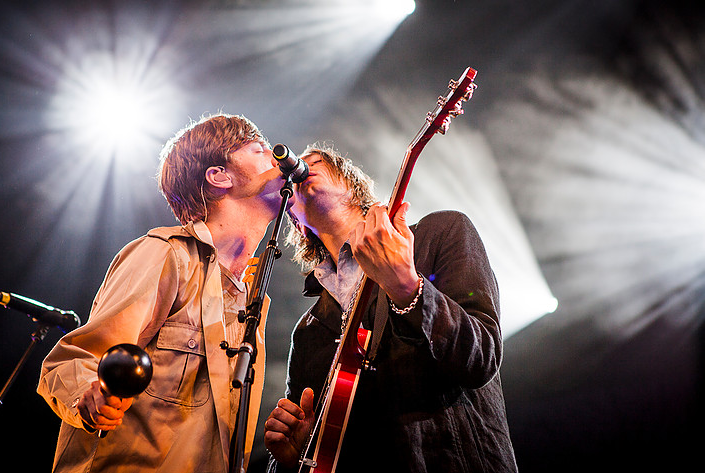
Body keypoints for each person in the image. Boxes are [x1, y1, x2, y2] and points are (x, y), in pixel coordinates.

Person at [38, 113, 289, 472]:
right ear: (219, 176)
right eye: (259, 149)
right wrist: (90, 393)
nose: (276, 160)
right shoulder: (165, 254)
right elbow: (71, 360)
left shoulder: (250, 298)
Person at [263, 144, 518, 472]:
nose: (300, 170)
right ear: (296, 221)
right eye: (294, 177)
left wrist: (410, 289)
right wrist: (292, 459)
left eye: (313, 162)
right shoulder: (308, 332)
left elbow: (481, 359)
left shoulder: (439, 234)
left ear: (351, 183)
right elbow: (313, 453)